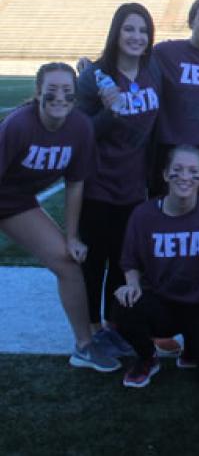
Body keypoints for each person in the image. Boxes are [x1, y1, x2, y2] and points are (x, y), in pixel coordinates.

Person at [0, 62, 120, 372]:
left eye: (68, 91)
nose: (60, 97)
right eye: (52, 90)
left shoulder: (80, 128)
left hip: (16, 204)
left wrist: (71, 236)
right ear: (38, 91)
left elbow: (75, 184)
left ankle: (83, 346)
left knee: (67, 262)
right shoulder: (18, 126)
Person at [113, 145, 199, 388]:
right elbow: (130, 260)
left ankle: (194, 347)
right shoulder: (143, 214)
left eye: (193, 171)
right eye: (177, 169)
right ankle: (147, 358)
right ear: (164, 174)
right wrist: (131, 284)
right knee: (123, 305)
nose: (184, 177)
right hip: (161, 302)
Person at [77, 3, 161, 355]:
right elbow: (81, 134)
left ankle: (114, 326)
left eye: (142, 30)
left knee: (123, 261)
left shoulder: (152, 70)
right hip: (97, 186)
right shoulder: (94, 76)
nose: (136, 36)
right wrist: (109, 113)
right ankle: (91, 331)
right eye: (129, 29)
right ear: (116, 32)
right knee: (93, 263)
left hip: (133, 187)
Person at [151, 0, 199, 201]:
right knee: (164, 203)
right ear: (192, 21)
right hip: (171, 144)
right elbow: (131, 57)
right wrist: (94, 65)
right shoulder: (166, 52)